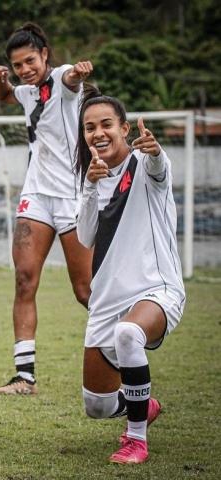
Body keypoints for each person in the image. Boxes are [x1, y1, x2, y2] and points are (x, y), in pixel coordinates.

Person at [75, 87, 186, 464]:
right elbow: (85, 236)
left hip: (156, 290)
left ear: (124, 129)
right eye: (89, 127)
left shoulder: (146, 161)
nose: (98, 133)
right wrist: (90, 185)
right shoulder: (91, 176)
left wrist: (154, 151)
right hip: (106, 301)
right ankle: (145, 404)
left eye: (107, 124)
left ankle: (136, 440)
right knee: (97, 406)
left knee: (128, 333)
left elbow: (159, 170)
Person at [0, 22, 94, 395]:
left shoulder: (63, 79)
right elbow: (5, 96)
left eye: (29, 60)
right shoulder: (26, 91)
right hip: (36, 196)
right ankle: (24, 377)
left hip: (72, 197)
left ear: (45, 54)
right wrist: (1, 80)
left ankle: (127, 341)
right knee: (24, 279)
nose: (24, 69)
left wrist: (78, 73)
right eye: (17, 65)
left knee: (85, 291)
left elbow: (71, 82)